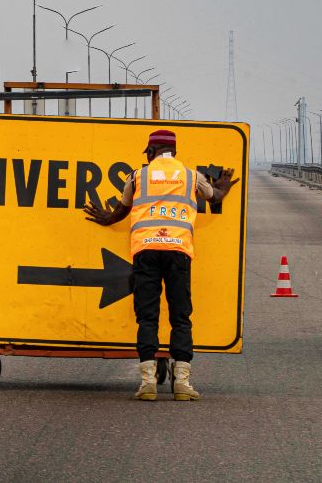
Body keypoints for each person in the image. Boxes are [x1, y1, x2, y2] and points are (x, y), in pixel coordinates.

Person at [83, 129, 238, 401]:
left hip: (146, 251)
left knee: (147, 316)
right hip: (178, 251)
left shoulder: (137, 176)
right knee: (180, 316)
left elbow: (123, 208)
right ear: (174, 152)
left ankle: (147, 384)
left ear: (152, 152)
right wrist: (224, 185)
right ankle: (182, 383)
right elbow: (214, 196)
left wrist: (106, 219)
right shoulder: (191, 176)